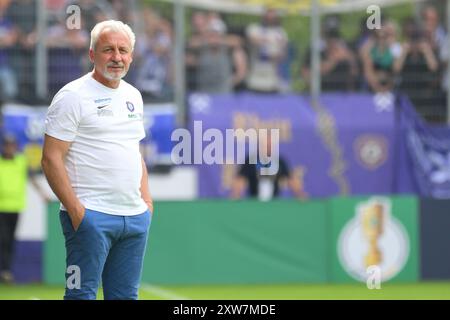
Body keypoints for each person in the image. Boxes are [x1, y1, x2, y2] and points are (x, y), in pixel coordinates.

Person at [41, 20, 153, 300]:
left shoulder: (133, 96)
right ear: (92, 55)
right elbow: (51, 158)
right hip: (91, 217)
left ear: (131, 56)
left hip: (134, 218)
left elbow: (134, 152)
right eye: (108, 50)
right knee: (81, 295)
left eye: (123, 50)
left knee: (125, 297)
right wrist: (78, 212)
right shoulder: (72, 96)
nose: (117, 57)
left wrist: (146, 204)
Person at [0, 134, 48, 283]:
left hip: (16, 207)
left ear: (15, 147)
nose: (9, 148)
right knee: (3, 239)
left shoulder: (21, 161)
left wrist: (42, 193)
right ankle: (5, 271)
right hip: (1, 207)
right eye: (7, 145)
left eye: (12, 145)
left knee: (9, 240)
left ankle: (6, 272)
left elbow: (32, 178)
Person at [230, 133, 307, 201]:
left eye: (270, 145)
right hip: (254, 203)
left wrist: (300, 194)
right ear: (260, 146)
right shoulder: (250, 161)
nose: (268, 148)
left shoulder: (280, 162)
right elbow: (239, 181)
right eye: (265, 145)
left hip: (274, 204)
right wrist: (235, 195)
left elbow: (292, 181)